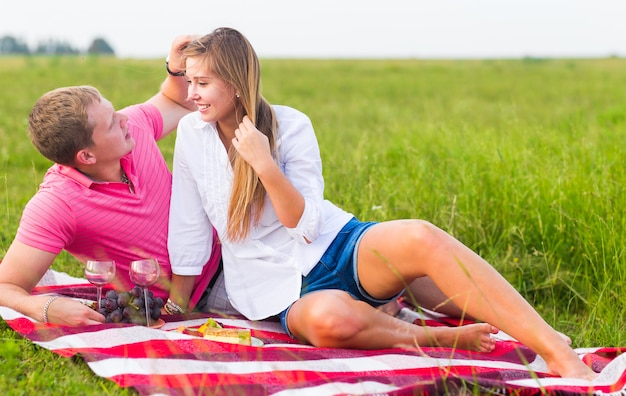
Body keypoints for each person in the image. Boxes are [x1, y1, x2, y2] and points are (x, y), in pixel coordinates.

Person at [167, 27, 596, 380]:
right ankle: (437, 338)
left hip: (335, 247)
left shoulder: (292, 125)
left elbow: (305, 225)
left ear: (237, 84)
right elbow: (188, 224)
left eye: (202, 83)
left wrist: (265, 165)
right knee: (328, 323)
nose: (192, 94)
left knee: (421, 237)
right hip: (274, 291)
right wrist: (176, 303)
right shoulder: (191, 135)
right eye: (189, 82)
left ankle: (550, 346)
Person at [0, 35, 235, 326]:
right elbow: (5, 286)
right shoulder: (55, 205)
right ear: (86, 156)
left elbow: (174, 101)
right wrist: (44, 308)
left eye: (114, 112)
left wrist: (175, 69)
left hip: (234, 246)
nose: (124, 119)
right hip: (200, 295)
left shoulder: (132, 126)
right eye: (111, 123)